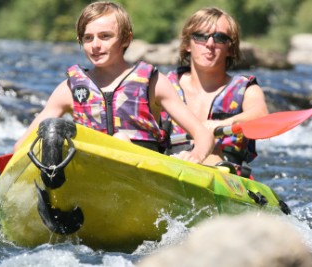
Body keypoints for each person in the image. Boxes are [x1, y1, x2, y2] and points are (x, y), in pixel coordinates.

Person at [14, 1, 214, 164]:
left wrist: (195, 156)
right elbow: (20, 147)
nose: (96, 46)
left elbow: (203, 136)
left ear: (126, 39)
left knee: (120, 140)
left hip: (143, 172)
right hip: (91, 170)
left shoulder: (153, 83)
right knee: (53, 130)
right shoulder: (68, 90)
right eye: (88, 38)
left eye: (105, 36)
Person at [161, 7, 269, 175]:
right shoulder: (164, 85)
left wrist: (221, 124)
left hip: (225, 173)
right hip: (170, 166)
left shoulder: (247, 89)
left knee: (213, 157)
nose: (210, 44)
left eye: (219, 38)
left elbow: (261, 116)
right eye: (200, 36)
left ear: (230, 48)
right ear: (187, 44)